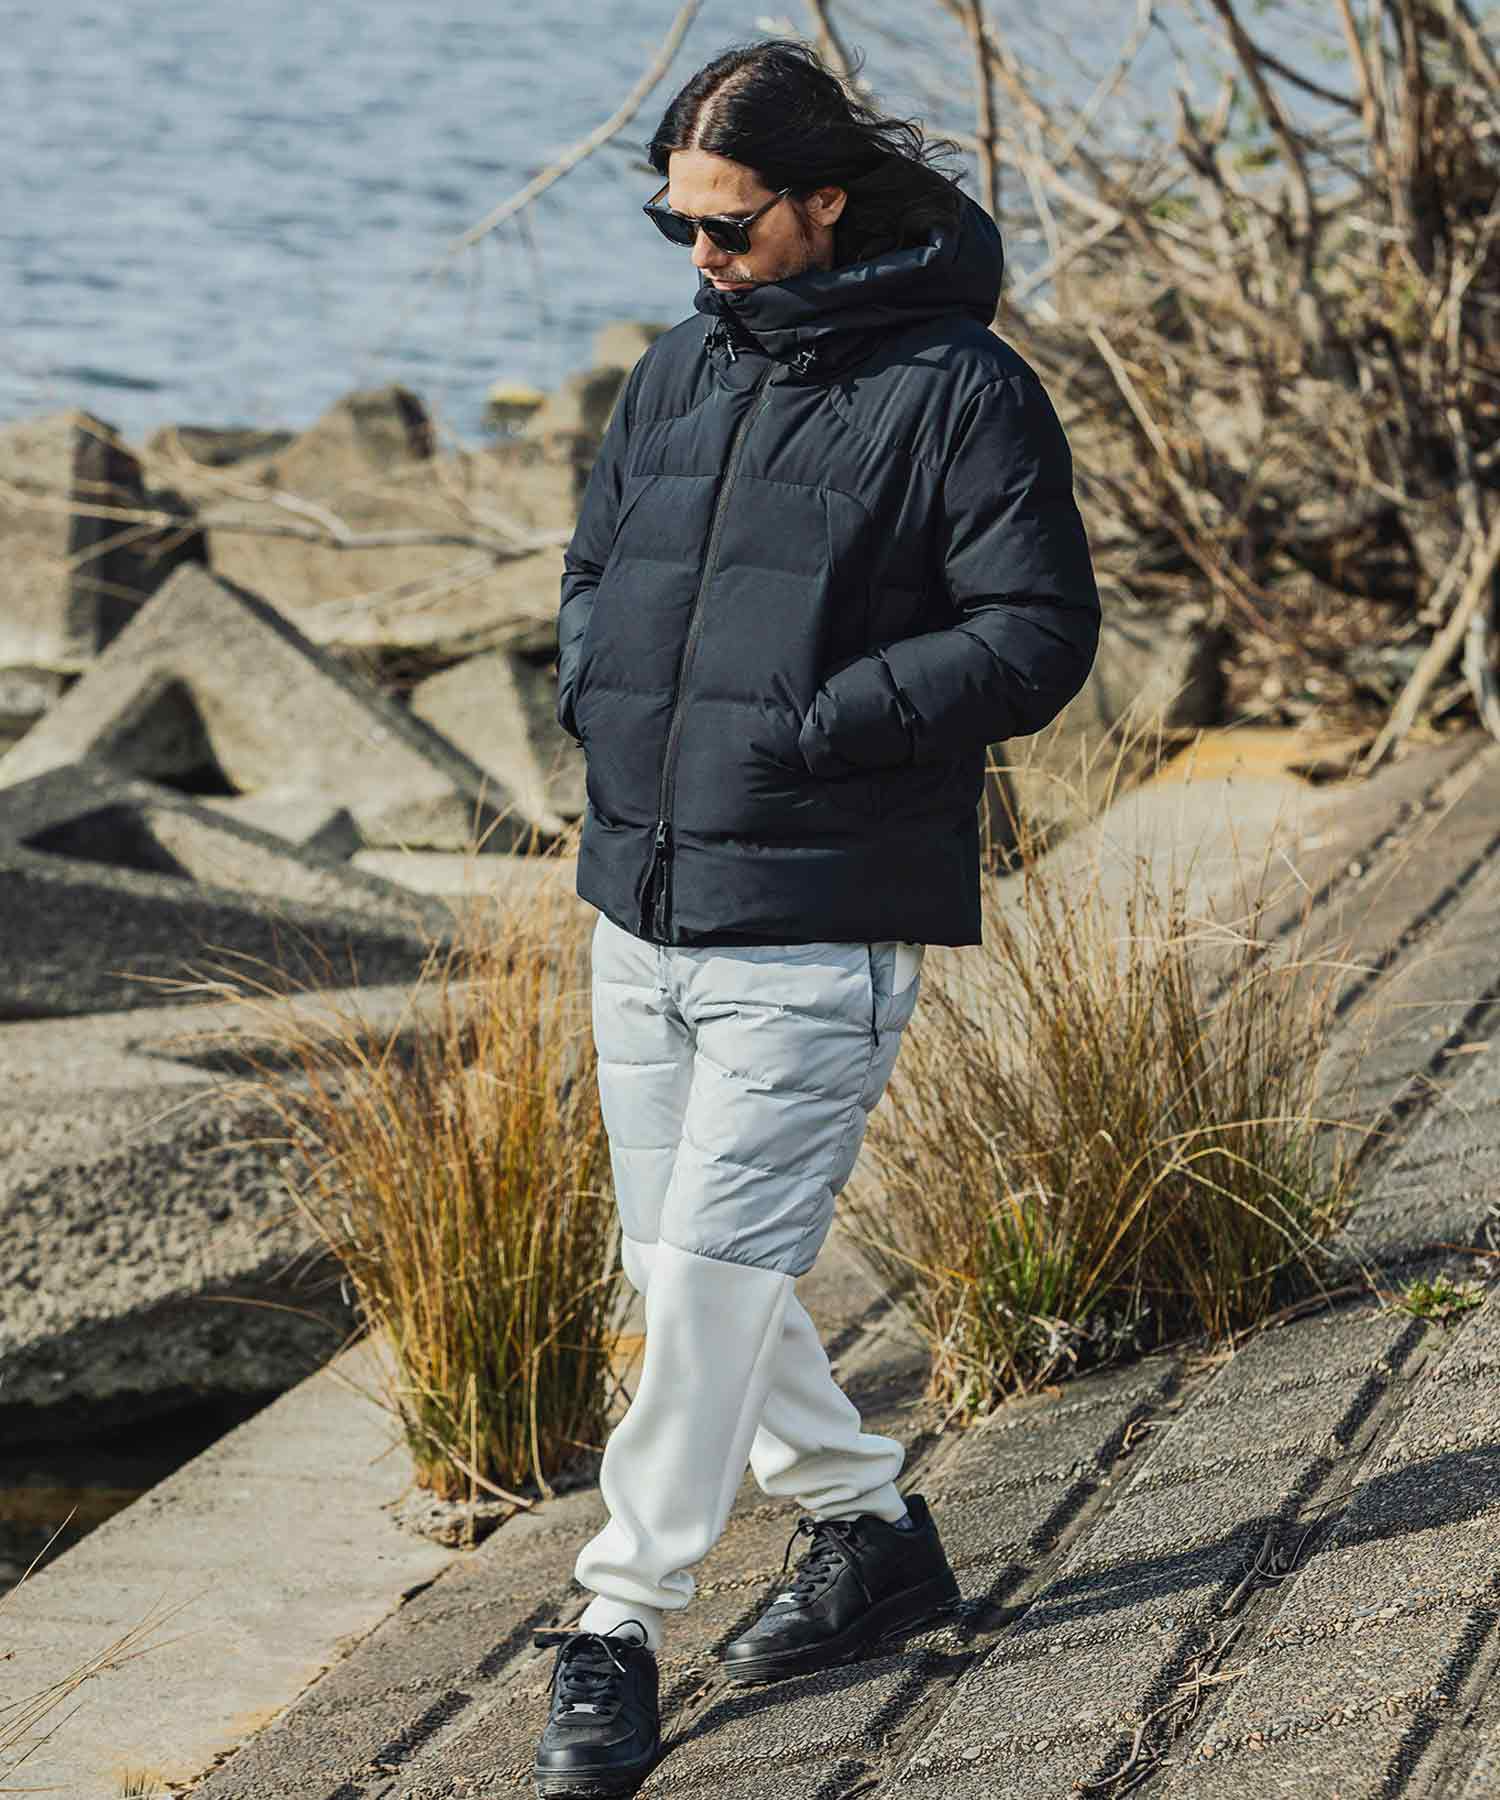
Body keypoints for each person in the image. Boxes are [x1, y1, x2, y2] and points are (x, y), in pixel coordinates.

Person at [533, 37, 1100, 1799]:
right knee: (675, 1267)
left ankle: (617, 1617)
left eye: (727, 225)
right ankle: (868, 1530)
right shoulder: (677, 371)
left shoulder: (960, 390)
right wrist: (595, 693)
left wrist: (819, 726)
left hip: (817, 919)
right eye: (675, 226)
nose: (699, 256)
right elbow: (592, 574)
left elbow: (1036, 636)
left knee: (710, 1283)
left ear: (825, 203)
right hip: (642, 901)